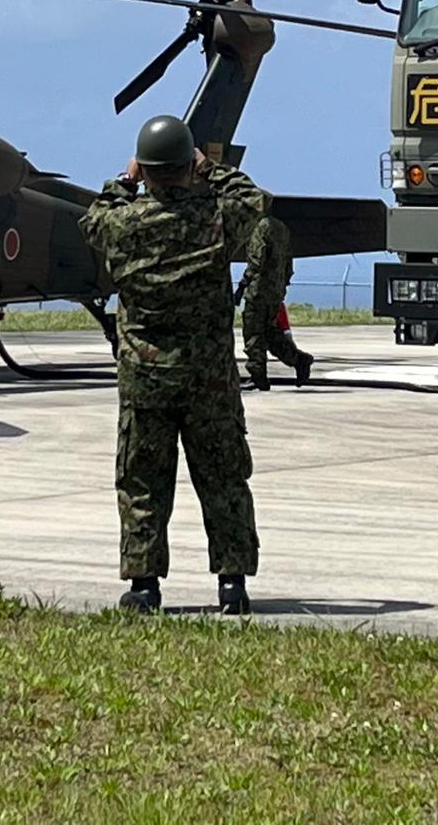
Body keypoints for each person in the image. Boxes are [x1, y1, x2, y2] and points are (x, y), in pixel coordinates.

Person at [80, 114, 269, 616]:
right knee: (224, 476)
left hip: (146, 379)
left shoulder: (121, 223)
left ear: (145, 168)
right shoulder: (215, 217)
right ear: (189, 165)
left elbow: (93, 217)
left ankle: (144, 588)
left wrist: (124, 181)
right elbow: (255, 202)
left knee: (142, 479)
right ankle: (232, 585)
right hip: (208, 376)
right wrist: (212, 170)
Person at [235, 214, 314, 391]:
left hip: (259, 290)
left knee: (253, 332)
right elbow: (288, 263)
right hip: (275, 291)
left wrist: (243, 284)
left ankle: (258, 376)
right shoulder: (281, 229)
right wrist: (282, 286)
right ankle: (299, 360)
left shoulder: (260, 227)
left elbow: (256, 259)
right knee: (270, 333)